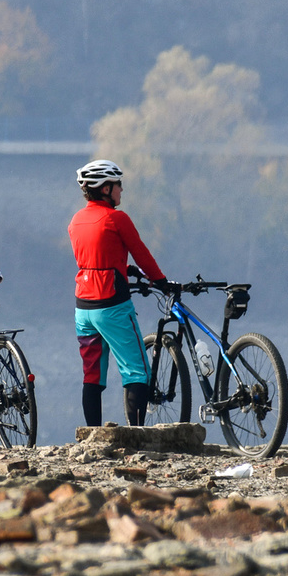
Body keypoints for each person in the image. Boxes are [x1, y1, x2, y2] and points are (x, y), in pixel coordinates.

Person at [68, 159, 174, 427]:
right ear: (105, 189)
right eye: (118, 185)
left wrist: (123, 267)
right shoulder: (116, 218)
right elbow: (142, 253)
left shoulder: (76, 220)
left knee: (92, 375)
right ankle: (136, 436)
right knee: (137, 370)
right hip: (112, 304)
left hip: (83, 307)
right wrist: (161, 281)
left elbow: (94, 255)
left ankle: (91, 436)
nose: (121, 190)